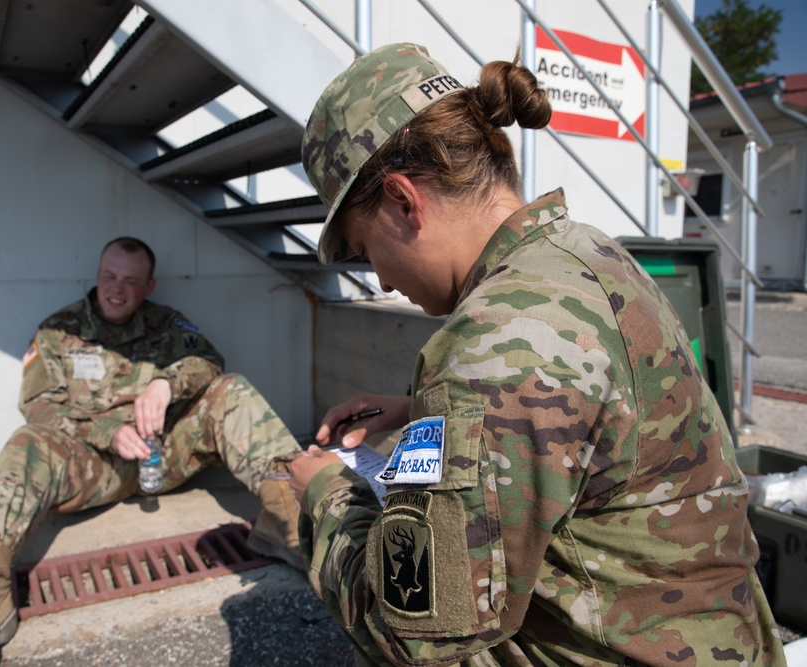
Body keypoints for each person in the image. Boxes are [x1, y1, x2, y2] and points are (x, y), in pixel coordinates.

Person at [290, 42, 785, 666]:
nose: (382, 281)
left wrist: (329, 494)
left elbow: (414, 633)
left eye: (365, 250)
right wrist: (421, 410)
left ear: (403, 201)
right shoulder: (584, 252)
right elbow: (592, 410)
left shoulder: (495, 343)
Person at [0, 236, 303, 667]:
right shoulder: (57, 331)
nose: (116, 289)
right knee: (25, 444)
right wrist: (107, 430)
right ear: (97, 276)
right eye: (108, 276)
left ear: (149, 286)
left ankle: (286, 524)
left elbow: (208, 360)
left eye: (129, 280)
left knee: (231, 389)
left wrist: (166, 384)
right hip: (91, 465)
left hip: (162, 454)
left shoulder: (166, 323)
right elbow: (39, 406)